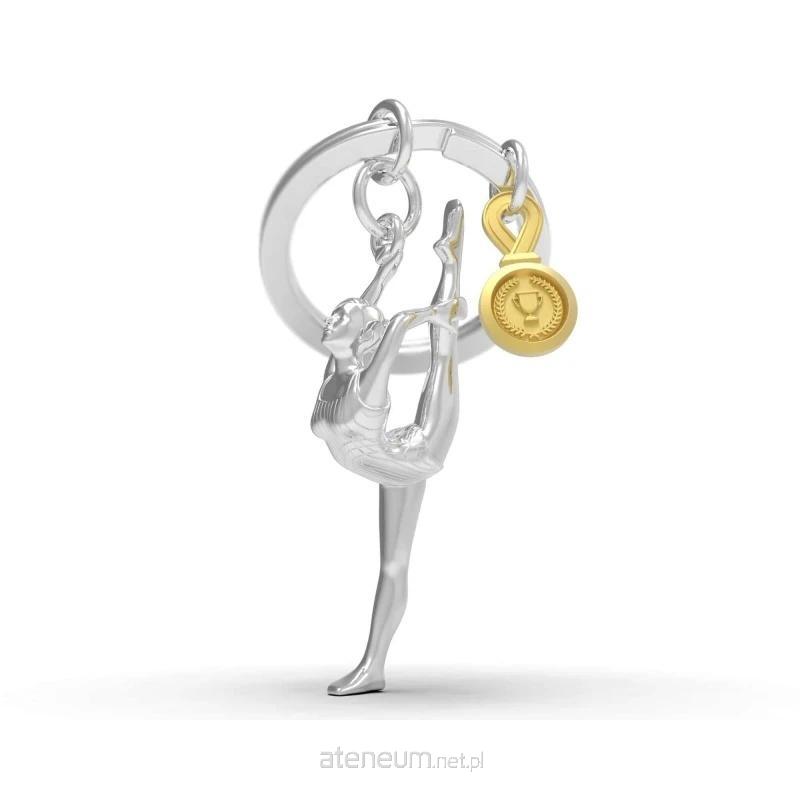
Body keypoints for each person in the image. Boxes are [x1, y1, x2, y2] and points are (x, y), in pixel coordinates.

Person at [311, 200, 466, 695]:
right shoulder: (338, 370)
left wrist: (435, 313)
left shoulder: (364, 390)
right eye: (337, 311)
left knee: (444, 345)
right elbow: (369, 313)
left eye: (341, 316)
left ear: (359, 334)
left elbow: (393, 326)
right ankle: (374, 668)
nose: (333, 317)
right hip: (387, 461)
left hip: (418, 451)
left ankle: (452, 257)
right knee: (391, 565)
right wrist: (385, 268)